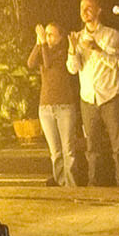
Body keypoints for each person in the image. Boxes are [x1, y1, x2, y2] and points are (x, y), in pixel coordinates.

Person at [74, 0, 119, 187]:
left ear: (99, 10)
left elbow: (116, 63)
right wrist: (71, 49)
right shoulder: (78, 37)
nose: (85, 11)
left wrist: (96, 48)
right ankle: (95, 187)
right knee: (92, 148)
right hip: (88, 99)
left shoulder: (111, 34)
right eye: (82, 7)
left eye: (89, 7)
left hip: (110, 97)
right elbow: (73, 68)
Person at [28, 22, 82, 187]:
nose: (48, 37)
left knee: (68, 151)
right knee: (55, 152)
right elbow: (30, 63)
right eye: (47, 34)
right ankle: (61, 185)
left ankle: (71, 186)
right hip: (45, 108)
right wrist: (38, 43)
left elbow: (49, 62)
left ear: (60, 38)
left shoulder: (63, 53)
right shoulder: (44, 50)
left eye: (52, 34)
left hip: (64, 107)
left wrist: (43, 44)